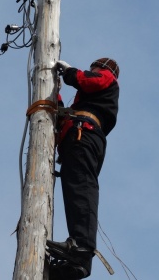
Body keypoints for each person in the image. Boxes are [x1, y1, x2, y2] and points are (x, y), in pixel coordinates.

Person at [47, 58, 120, 280]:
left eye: (93, 68)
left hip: (85, 135)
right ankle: (76, 259)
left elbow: (86, 81)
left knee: (81, 187)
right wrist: (55, 94)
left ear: (101, 68)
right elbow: (61, 117)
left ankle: (82, 248)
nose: (91, 70)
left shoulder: (108, 78)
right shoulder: (84, 103)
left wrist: (69, 72)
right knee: (74, 190)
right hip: (77, 137)